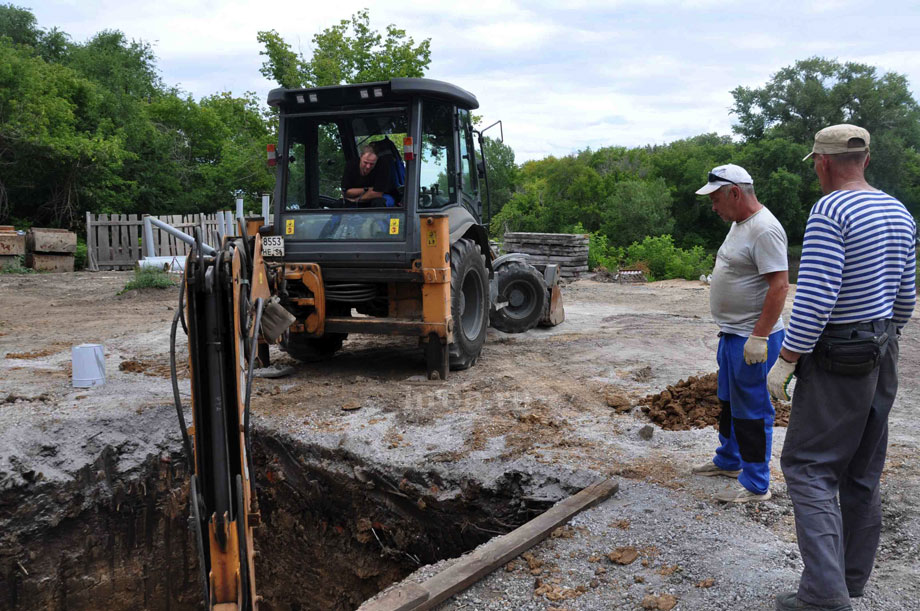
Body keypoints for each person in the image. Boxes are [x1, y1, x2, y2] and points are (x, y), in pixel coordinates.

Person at [768, 125, 916, 611]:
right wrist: (885, 341)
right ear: (866, 159)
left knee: (808, 468)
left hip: (839, 354)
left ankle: (824, 597)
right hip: (882, 348)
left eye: (815, 163)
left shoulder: (830, 210)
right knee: (861, 472)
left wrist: (787, 358)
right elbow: (905, 297)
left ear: (823, 163)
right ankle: (851, 580)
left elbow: (815, 295)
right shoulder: (897, 210)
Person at [691, 164, 789, 504]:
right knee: (730, 403)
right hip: (732, 335)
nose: (713, 207)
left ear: (735, 193)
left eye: (716, 199)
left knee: (753, 411)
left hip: (753, 340)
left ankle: (756, 484)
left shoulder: (764, 229)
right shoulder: (739, 224)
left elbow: (779, 285)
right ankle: (729, 461)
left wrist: (759, 336)